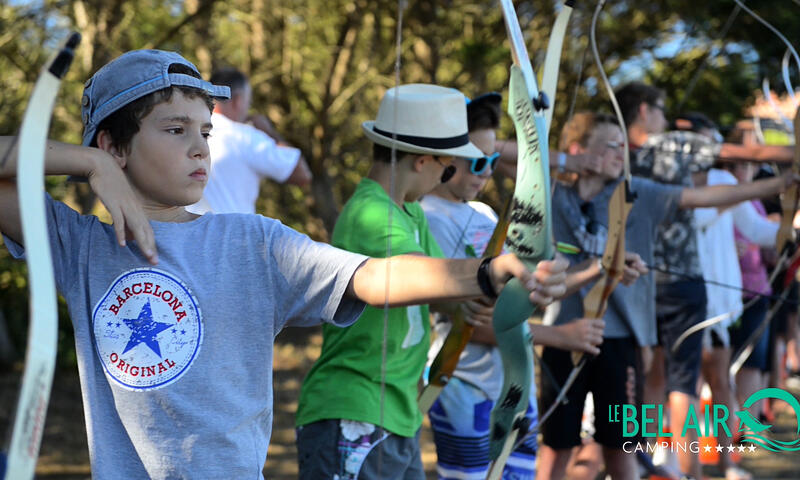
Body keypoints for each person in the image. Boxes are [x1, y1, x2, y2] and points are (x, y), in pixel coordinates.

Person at [0, 51, 568, 479]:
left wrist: (489, 273)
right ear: (114, 145)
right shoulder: (79, 245)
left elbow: (372, 275)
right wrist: (92, 165)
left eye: (205, 131)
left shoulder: (252, 241)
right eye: (175, 131)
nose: (201, 147)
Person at [292, 83, 569, 479]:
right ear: (423, 162)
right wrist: (493, 272)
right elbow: (415, 273)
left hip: (396, 414)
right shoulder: (371, 213)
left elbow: (445, 294)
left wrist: (518, 283)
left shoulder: (411, 213)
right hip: (353, 411)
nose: (448, 175)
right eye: (449, 166)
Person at [535, 112, 798, 480]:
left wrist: (779, 185)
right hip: (562, 336)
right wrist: (567, 163)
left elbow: (701, 196)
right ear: (580, 149)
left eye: (621, 145)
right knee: (556, 448)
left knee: (622, 447)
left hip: (620, 344)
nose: (619, 153)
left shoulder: (635, 192)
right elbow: (506, 155)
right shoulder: (549, 192)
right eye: (609, 145)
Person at [420, 92, 606, 480]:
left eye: (493, 161)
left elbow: (526, 296)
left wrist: (599, 269)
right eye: (476, 162)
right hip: (461, 383)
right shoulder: (427, 219)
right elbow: (471, 320)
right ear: (443, 158)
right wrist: (558, 335)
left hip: (512, 386)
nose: (486, 173)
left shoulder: (485, 213)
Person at [616, 82, 793, 479]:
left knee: (655, 379)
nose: (664, 120)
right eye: (659, 111)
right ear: (644, 111)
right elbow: (748, 154)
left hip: (636, 284)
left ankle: (647, 465)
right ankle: (683, 470)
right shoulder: (674, 149)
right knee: (681, 384)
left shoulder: (615, 154)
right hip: (680, 289)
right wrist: (788, 168)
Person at [189, 67, 312, 214]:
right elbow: (301, 174)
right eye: (249, 102)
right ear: (238, 100)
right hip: (235, 234)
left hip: (186, 233)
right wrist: (269, 132)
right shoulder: (245, 137)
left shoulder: (184, 133)